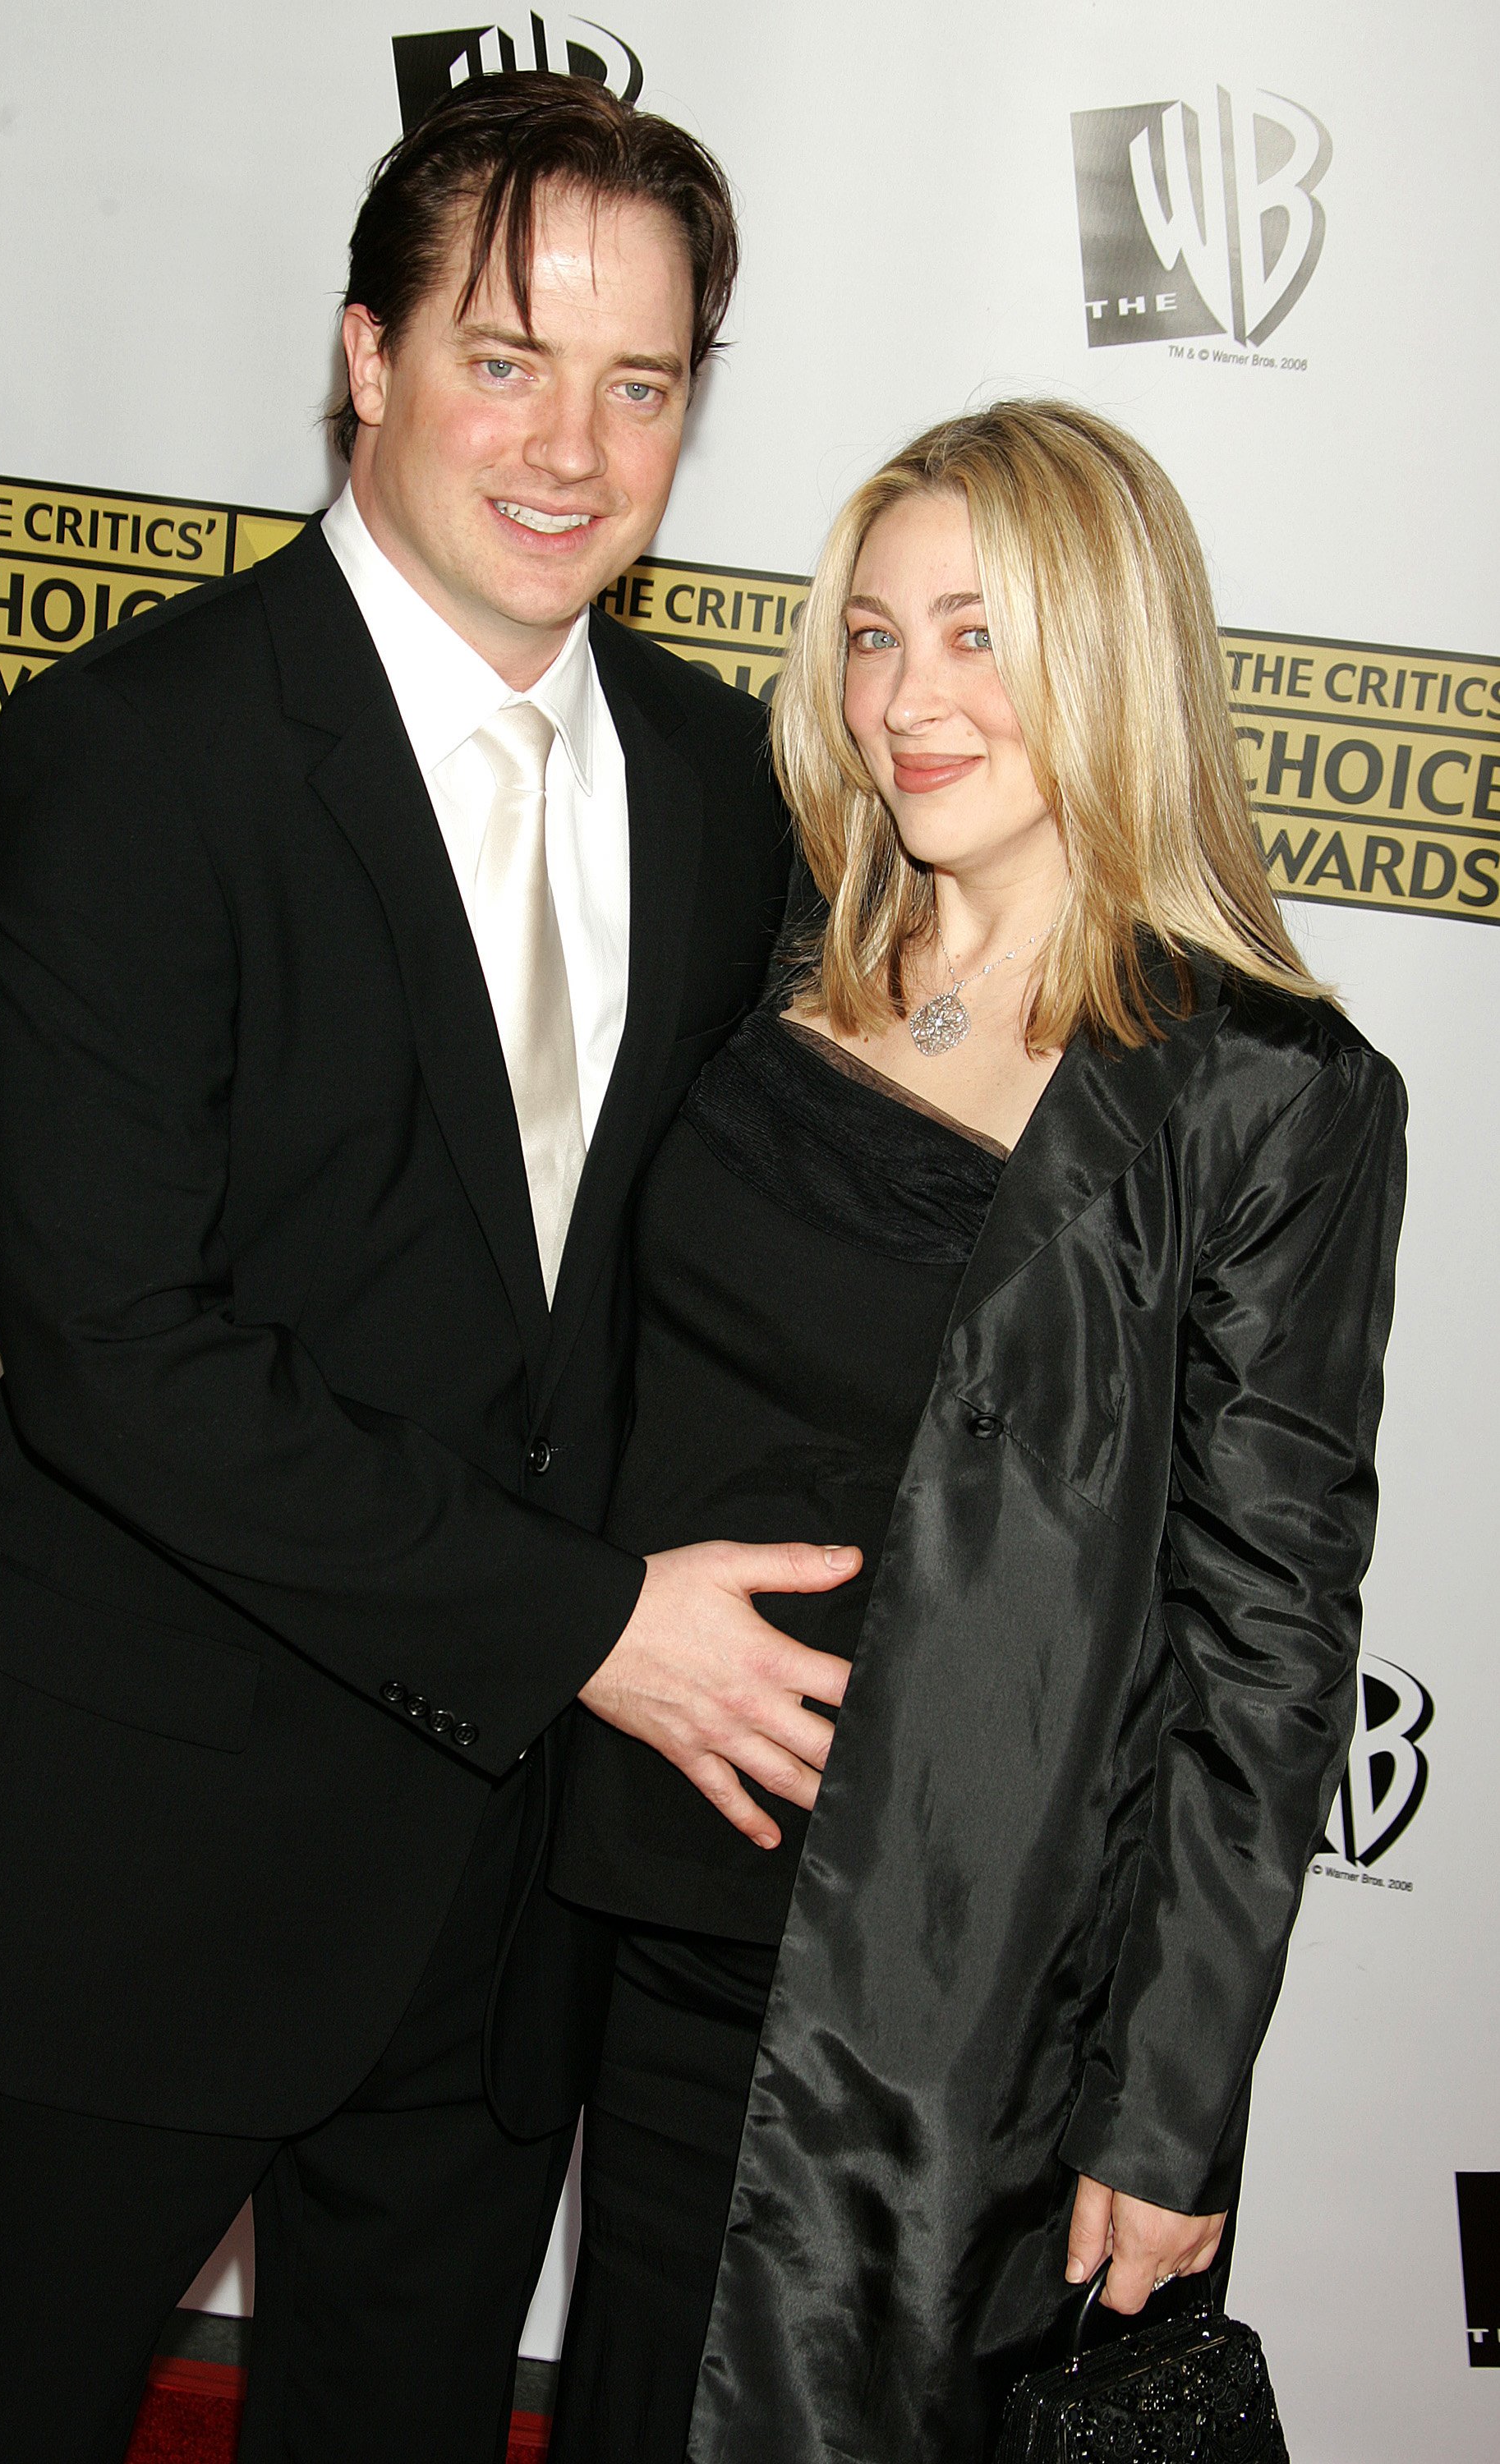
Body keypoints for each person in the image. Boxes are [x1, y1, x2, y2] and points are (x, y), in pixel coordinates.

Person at [0, 73, 863, 2464]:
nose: (572, 446)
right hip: (138, 1869)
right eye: (507, 357)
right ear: (366, 355)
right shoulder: (136, 749)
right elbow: (116, 1359)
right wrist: (598, 1625)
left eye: (641, 383)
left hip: (509, 1909)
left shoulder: (730, 783)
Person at [547, 399, 1409, 2462]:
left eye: (973, 636)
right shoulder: (772, 957)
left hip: (955, 2014)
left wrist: (1173, 2102)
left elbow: (1270, 1649)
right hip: (631, 1914)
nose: (903, 701)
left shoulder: (1262, 1094)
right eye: (867, 636)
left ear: (1108, 657)